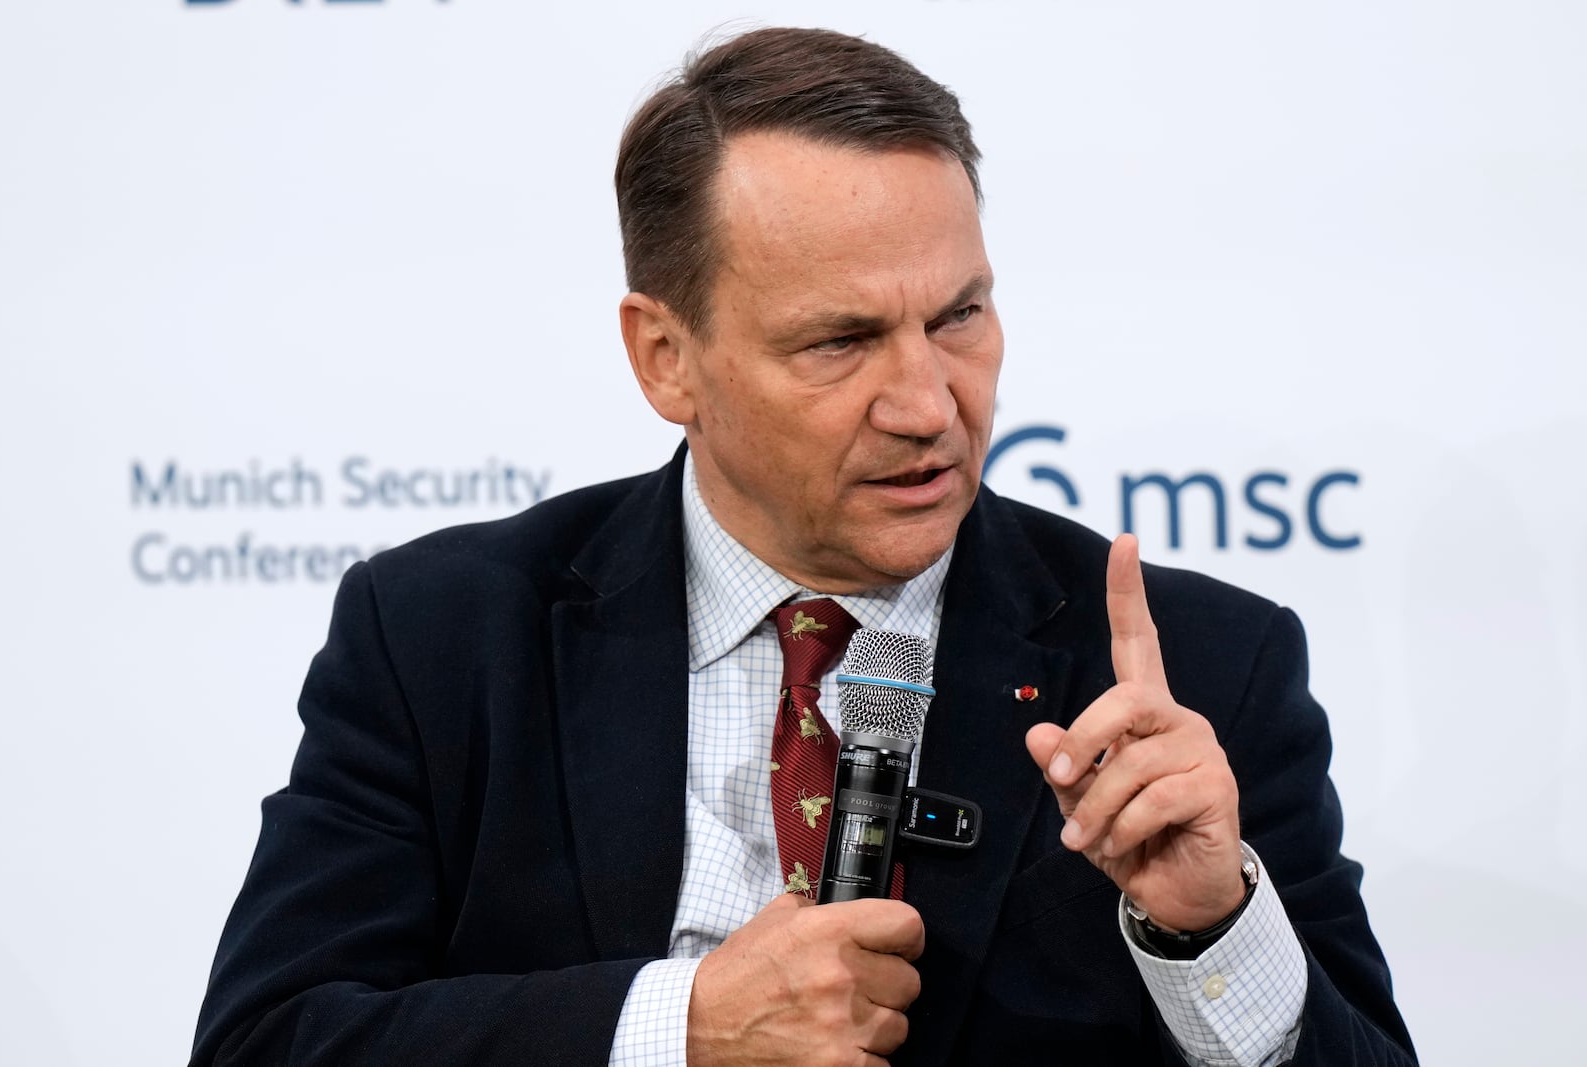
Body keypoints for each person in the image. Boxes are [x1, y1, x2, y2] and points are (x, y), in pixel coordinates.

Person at [191, 26, 1416, 1067]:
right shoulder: (445, 635)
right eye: (839, 340)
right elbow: (270, 1038)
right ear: (664, 356)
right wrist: (679, 1027)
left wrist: (1213, 930)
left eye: (959, 316)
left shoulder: (1195, 662)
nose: (929, 402)